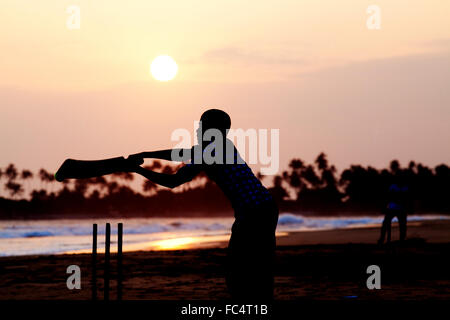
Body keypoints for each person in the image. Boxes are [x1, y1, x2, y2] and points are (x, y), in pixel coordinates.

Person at [127, 109, 279, 300]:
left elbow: (173, 181)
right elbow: (181, 153)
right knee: (258, 266)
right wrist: (145, 154)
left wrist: (138, 170)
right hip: (264, 208)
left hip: (254, 213)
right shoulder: (221, 146)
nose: (198, 131)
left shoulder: (213, 150)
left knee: (239, 270)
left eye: (202, 126)